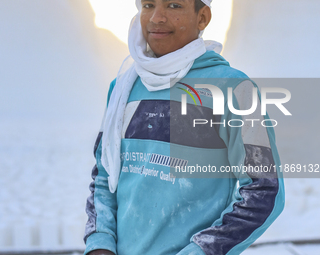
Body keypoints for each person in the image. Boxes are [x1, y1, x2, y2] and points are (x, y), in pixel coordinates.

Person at [83, 0, 285, 254]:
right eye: (147, 5)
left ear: (202, 17)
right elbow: (104, 176)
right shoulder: (122, 87)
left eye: (174, 5)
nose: (156, 18)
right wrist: (100, 243)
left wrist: (200, 250)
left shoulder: (234, 89)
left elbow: (264, 190)